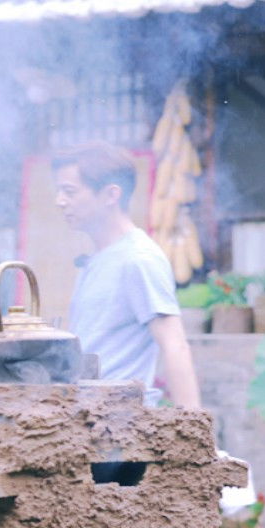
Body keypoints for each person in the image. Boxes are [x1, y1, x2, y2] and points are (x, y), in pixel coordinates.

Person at [53, 141, 200, 410]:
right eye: (59, 191)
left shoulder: (138, 258)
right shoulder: (97, 259)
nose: (59, 201)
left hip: (121, 421)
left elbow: (174, 344)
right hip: (88, 416)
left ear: (111, 195)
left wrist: (195, 428)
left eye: (69, 192)